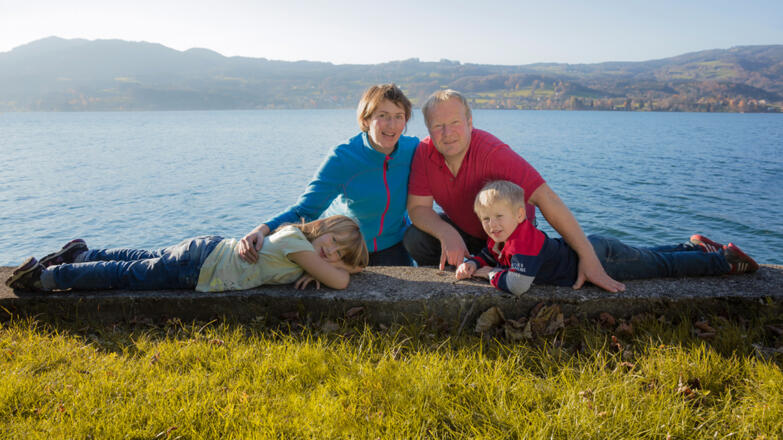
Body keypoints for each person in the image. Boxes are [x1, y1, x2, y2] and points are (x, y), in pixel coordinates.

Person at [404, 89, 627, 293]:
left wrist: (587, 257)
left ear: (470, 122)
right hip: (474, 238)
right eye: (438, 125)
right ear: (428, 129)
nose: (447, 132)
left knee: (635, 263)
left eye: (455, 122)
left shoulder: (493, 153)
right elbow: (417, 209)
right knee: (416, 238)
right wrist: (447, 234)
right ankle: (449, 285)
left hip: (513, 239)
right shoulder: (425, 153)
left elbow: (546, 197)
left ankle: (597, 249)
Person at [456, 181, 759, 295]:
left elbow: (518, 285)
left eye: (499, 217)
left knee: (661, 266)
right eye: (485, 219)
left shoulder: (524, 241)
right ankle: (694, 247)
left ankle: (723, 261)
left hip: (602, 261)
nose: (492, 225)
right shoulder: (503, 238)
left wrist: (488, 275)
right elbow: (489, 254)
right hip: (595, 248)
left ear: (520, 215)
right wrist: (472, 262)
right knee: (649, 254)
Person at [238, 84, 419, 269]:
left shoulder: (413, 149)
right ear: (366, 119)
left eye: (399, 116)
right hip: (342, 250)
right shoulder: (343, 157)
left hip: (393, 246)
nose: (392, 125)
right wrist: (262, 229)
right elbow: (305, 211)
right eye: (383, 116)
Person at [5, 215, 369, 293]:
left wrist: (318, 269)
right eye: (334, 241)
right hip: (198, 268)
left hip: (205, 251)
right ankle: (46, 277)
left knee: (140, 257)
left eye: (339, 255)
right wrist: (332, 270)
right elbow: (338, 281)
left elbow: (330, 272)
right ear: (323, 227)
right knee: (127, 275)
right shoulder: (297, 244)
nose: (330, 251)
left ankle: (81, 255)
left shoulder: (298, 246)